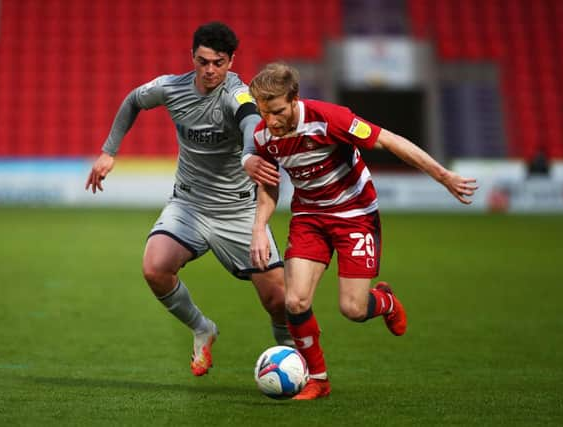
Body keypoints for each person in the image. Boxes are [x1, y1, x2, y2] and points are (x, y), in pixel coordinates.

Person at [248, 63, 478, 400]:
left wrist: (443, 176)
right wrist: (258, 228)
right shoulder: (263, 135)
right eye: (264, 112)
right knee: (295, 302)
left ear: (295, 99)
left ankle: (384, 301)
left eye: (278, 111)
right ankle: (319, 380)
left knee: (353, 310)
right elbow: (268, 187)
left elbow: (390, 140)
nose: (271, 121)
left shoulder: (330, 118)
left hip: (355, 214)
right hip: (309, 217)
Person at [85, 22, 291, 377]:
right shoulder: (171, 87)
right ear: (192, 57)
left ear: (231, 61)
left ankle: (291, 357)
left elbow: (249, 121)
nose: (210, 70)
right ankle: (202, 328)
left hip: (238, 210)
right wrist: (108, 151)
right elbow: (133, 100)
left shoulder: (236, 94)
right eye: (203, 61)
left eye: (219, 63)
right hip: (189, 204)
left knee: (279, 302)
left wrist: (247, 155)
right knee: (154, 268)